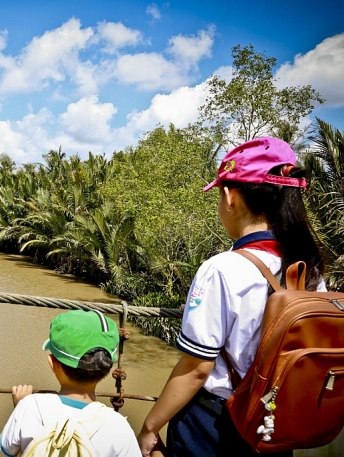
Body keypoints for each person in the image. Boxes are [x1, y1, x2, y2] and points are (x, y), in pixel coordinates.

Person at [137, 137, 325, 457]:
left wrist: (150, 427)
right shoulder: (311, 267)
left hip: (216, 425)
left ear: (230, 196)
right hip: (272, 424)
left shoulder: (221, 269)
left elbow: (197, 369)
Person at [0, 309, 150, 457]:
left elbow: (8, 449)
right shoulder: (118, 427)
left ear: (53, 364)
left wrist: (19, 405)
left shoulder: (30, 406)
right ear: (108, 367)